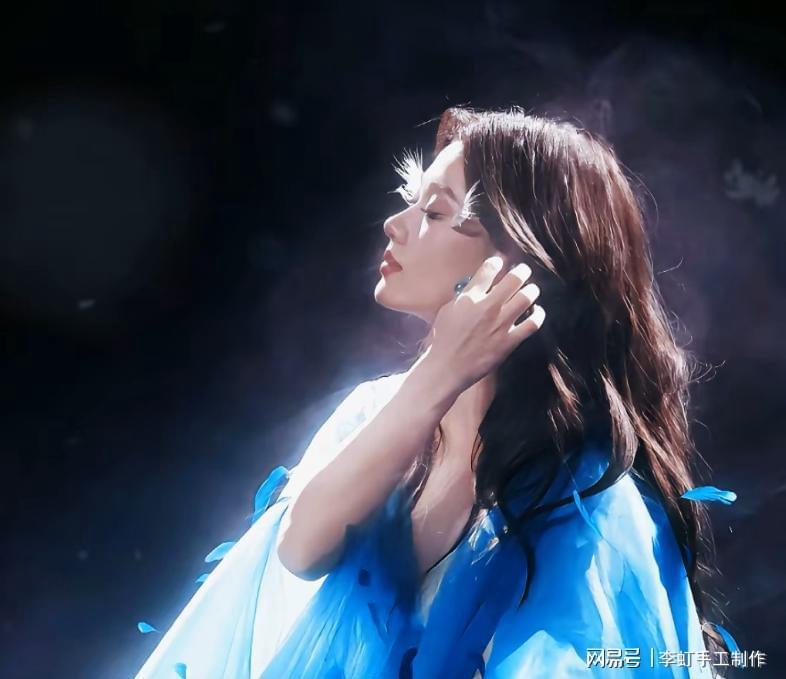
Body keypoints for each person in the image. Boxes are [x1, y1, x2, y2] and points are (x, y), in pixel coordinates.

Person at [134, 106, 738, 678]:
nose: (395, 225)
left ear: (518, 258)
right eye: (411, 201)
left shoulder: (586, 493)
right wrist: (440, 373)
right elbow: (300, 550)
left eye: (436, 211)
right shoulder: (376, 412)